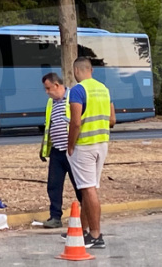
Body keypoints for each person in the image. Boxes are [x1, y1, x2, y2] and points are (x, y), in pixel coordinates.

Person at [67, 56, 116, 250]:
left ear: (76, 71)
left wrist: (70, 145)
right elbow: (112, 120)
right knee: (90, 188)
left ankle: (96, 234)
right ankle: (83, 230)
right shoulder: (104, 89)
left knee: (88, 189)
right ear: (91, 70)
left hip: (84, 145)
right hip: (101, 143)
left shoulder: (78, 90)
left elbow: (75, 122)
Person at [40, 72, 82, 228]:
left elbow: (77, 123)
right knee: (54, 185)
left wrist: (73, 145)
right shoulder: (51, 103)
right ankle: (55, 217)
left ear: (57, 85)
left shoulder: (73, 98)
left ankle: (86, 213)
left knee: (79, 184)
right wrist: (44, 148)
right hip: (57, 151)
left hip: (72, 150)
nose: (47, 92)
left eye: (48, 88)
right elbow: (48, 126)